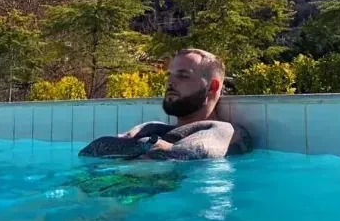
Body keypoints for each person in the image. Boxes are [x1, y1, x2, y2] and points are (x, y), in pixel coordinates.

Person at [78, 48, 252, 160]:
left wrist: (143, 143)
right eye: (170, 75)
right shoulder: (156, 130)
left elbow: (181, 155)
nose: (170, 82)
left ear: (212, 87)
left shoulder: (226, 131)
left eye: (183, 76)